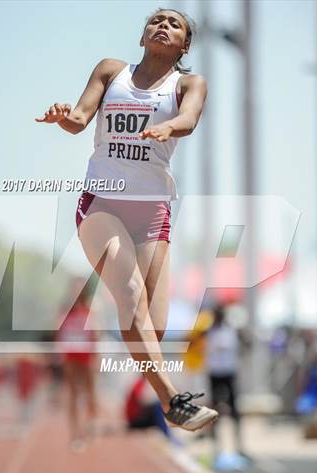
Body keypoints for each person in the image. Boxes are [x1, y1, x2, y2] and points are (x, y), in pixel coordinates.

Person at [36, 8, 218, 431]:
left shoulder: (188, 83)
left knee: (153, 323)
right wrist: (64, 116)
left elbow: (189, 118)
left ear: (184, 45)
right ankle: (172, 399)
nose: (162, 26)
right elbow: (80, 121)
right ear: (142, 36)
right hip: (104, 203)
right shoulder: (110, 72)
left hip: (153, 210)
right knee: (131, 293)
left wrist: (168, 127)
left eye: (174, 24)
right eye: (156, 20)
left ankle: (153, 390)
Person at [56, 284, 99, 451]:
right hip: (71, 355)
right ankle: (75, 434)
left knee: (90, 392)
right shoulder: (66, 311)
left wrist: (96, 355)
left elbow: (95, 333)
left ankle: (91, 424)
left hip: (86, 355)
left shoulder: (90, 310)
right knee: (73, 394)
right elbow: (59, 332)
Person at [206, 305, 246, 457]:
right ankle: (216, 446)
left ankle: (239, 445)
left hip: (229, 373)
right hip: (215, 373)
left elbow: (248, 342)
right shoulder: (208, 331)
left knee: (234, 410)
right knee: (214, 410)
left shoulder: (232, 330)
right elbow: (189, 340)